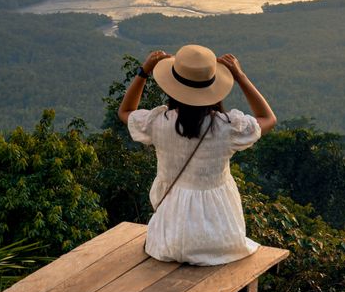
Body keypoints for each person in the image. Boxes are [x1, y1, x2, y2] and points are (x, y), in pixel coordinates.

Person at [118, 44, 277, 266]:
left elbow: (125, 112)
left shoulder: (157, 124)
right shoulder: (227, 128)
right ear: (214, 89)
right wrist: (240, 77)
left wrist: (144, 72)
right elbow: (268, 118)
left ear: (172, 88)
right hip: (221, 240)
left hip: (169, 239)